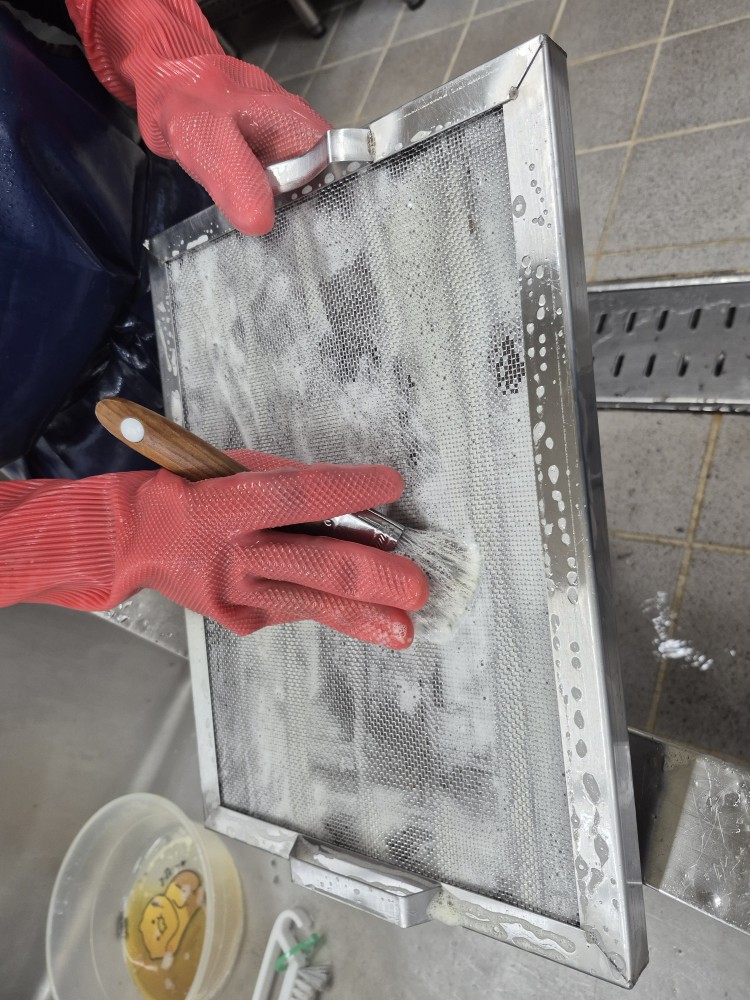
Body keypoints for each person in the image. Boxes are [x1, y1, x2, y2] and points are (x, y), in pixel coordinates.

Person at [0, 0, 429, 649]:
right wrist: (115, 536)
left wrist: (163, 49)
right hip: (85, 446)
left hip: (176, 221)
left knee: (394, 411)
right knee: (306, 573)